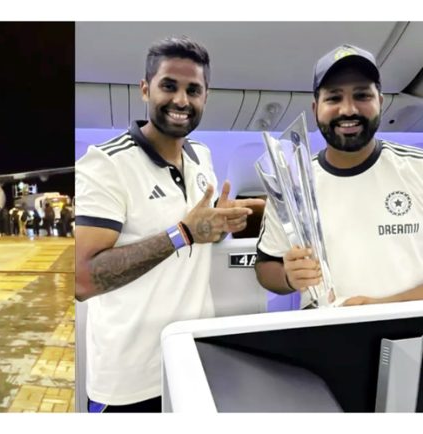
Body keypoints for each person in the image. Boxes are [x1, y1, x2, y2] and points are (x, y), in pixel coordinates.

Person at [75, 36, 263, 412]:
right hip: (130, 379)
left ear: (205, 97)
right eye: (169, 86)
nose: (181, 100)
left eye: (193, 90)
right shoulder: (106, 165)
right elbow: (82, 279)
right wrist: (183, 233)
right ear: (145, 89)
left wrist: (218, 226)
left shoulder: (201, 156)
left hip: (192, 357)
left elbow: (195, 240)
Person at [255, 44, 423, 308]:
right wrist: (288, 277)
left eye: (362, 96)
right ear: (315, 108)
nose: (348, 110)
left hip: (412, 337)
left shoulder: (417, 168)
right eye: (334, 98)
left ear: (380, 101)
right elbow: (266, 266)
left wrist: (380, 306)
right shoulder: (292, 184)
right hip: (325, 340)